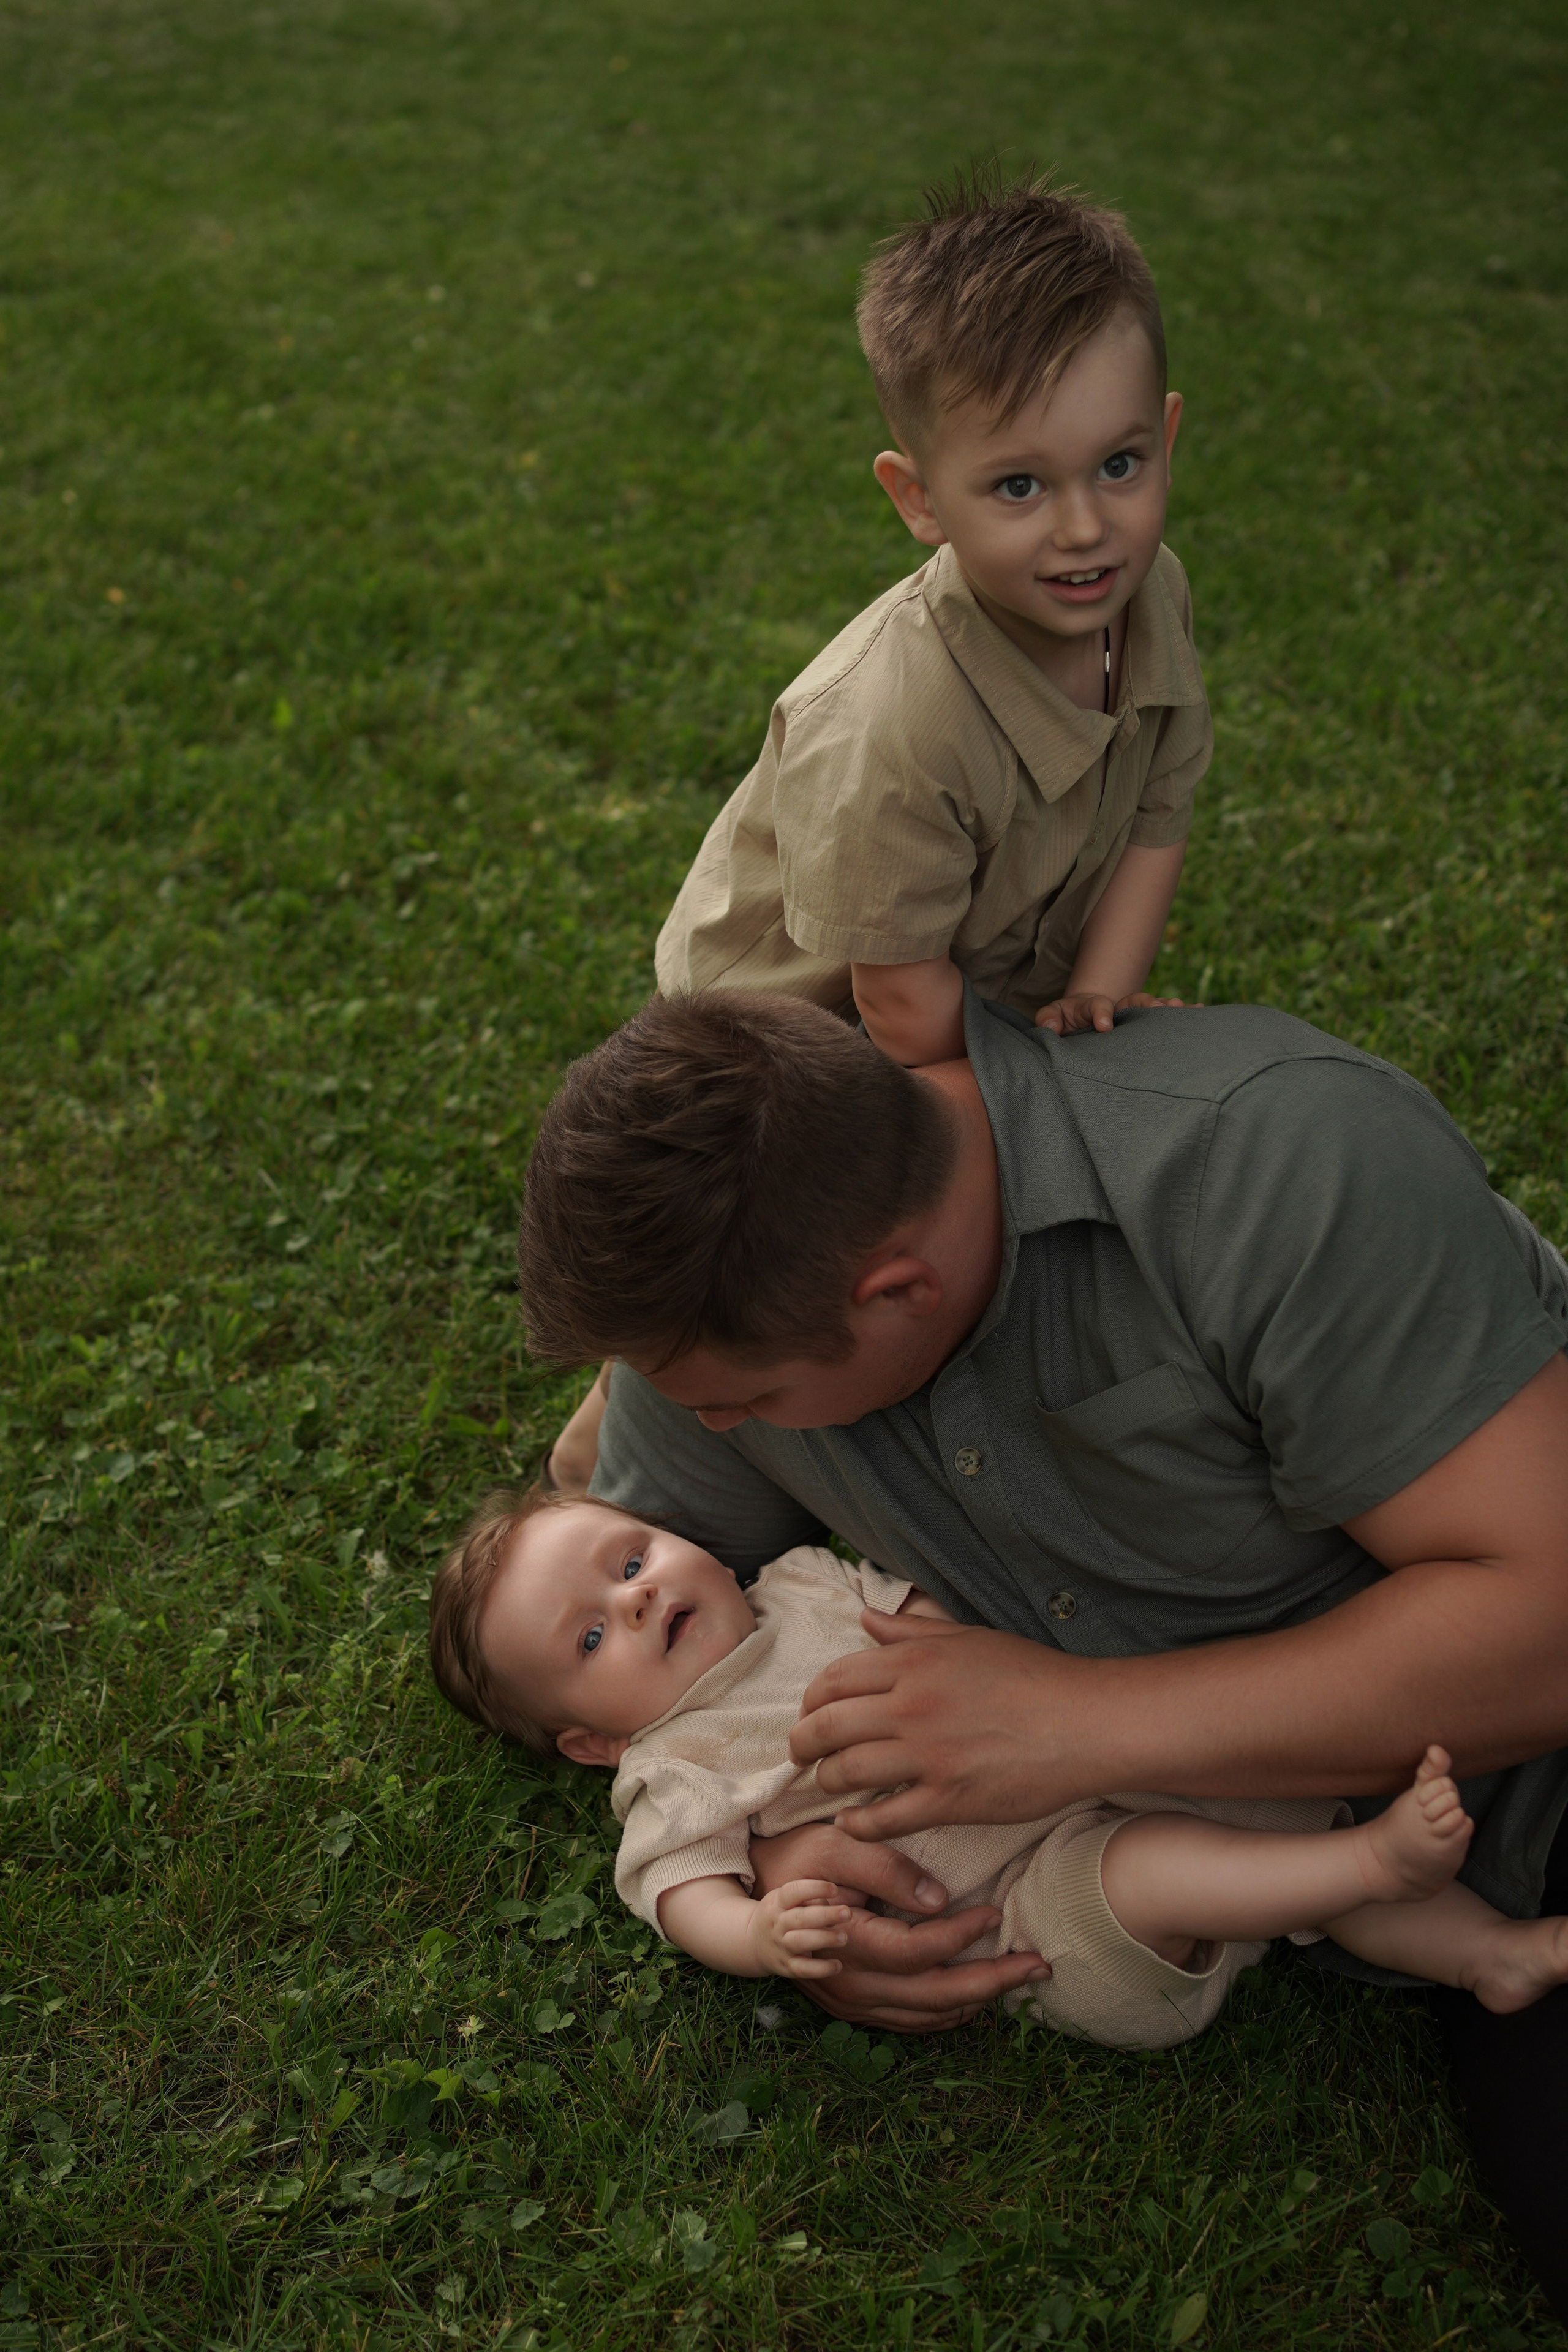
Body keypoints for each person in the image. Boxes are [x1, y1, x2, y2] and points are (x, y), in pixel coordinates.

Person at [516, 985, 1568, 2313]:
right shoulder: (735, 1326)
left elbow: (1548, 1626)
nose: (713, 1432)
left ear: (895, 1290)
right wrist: (783, 1849)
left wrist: (1079, 1727)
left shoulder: (1268, 1166)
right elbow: (659, 1636)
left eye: (747, 1403)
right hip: (1353, 1871)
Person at [545, 167, 1204, 1493]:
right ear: (916, 498)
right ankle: (628, 1421)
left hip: (977, 960)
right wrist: (1046, 1102)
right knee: (793, 1256)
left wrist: (1096, 1007)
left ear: (1166, 440)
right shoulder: (889, 725)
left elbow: (1152, 812)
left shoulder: (1148, 599)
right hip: (803, 1021)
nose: (1084, 528)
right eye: (1016, 486)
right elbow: (899, 1012)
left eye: (1117, 467)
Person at [429, 1490, 1568, 2043]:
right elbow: (682, 1892)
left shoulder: (803, 1581)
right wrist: (762, 1937)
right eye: (591, 1640)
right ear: (596, 1742)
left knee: (1272, 1819)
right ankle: (1377, 1860)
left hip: (1086, 1763)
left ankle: (1489, 1954)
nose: (634, 1598)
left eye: (630, 1558)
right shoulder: (671, 1762)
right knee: (1169, 1866)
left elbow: (943, 1627)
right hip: (1034, 1913)